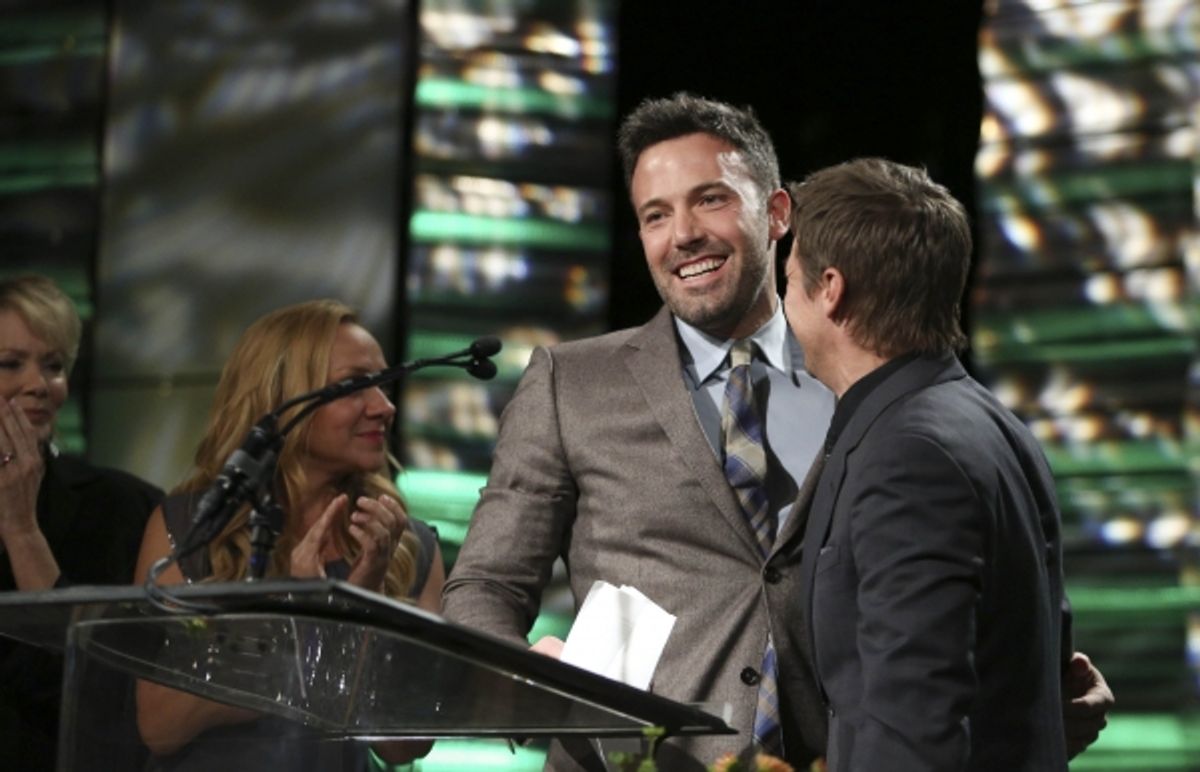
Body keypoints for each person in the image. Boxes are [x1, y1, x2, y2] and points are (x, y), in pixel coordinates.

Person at [441, 94, 1112, 771]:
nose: (683, 235)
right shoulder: (569, 384)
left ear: (777, 213)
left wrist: (1032, 704)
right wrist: (520, 677)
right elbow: (483, 589)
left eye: (710, 200)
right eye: (655, 215)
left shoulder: (864, 374)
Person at [784, 157, 1077, 770]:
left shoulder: (910, 455)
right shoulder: (989, 422)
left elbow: (914, 727)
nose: (784, 299)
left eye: (789, 278)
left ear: (830, 290)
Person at [133, 299, 444, 771]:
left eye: (383, 385)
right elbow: (160, 725)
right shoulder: (192, 526)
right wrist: (295, 618)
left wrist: (364, 600)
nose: (384, 407)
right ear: (281, 399)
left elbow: (405, 744)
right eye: (355, 385)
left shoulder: (406, 546)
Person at [0, 274, 163, 771]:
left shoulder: (122, 507)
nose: (38, 385)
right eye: (10, 364)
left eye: (54, 366)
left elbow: (99, 689)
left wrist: (22, 530)